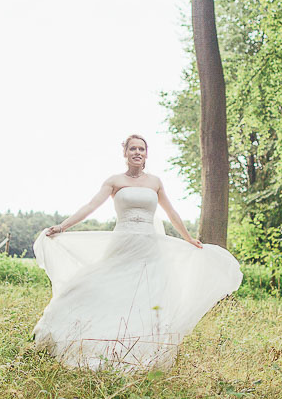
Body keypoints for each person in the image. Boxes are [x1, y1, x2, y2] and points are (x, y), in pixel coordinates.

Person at [32, 134, 243, 371]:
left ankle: (139, 347)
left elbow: (171, 212)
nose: (137, 152)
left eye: (141, 149)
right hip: (122, 244)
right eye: (133, 148)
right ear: (125, 153)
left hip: (148, 247)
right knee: (105, 287)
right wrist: (62, 226)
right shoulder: (114, 181)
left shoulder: (155, 182)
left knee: (143, 295)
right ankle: (80, 334)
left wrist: (188, 238)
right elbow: (91, 206)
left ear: (146, 154)